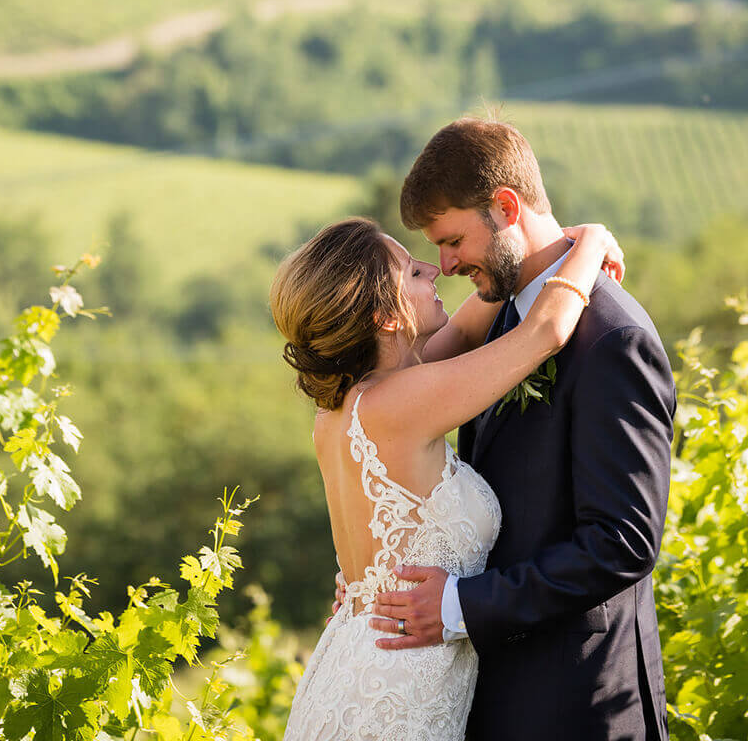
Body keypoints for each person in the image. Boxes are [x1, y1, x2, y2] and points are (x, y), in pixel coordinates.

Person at [366, 117, 676, 741]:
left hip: (578, 702)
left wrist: (458, 605)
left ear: (506, 207)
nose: (446, 264)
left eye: (452, 240)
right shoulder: (503, 313)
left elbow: (622, 542)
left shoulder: (614, 340)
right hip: (495, 693)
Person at [271, 205, 625, 741]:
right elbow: (545, 330)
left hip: (350, 669)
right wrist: (592, 240)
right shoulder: (403, 404)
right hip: (396, 697)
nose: (434, 270)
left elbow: (459, 333)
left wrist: (520, 261)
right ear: (384, 317)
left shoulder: (344, 407)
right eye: (413, 272)